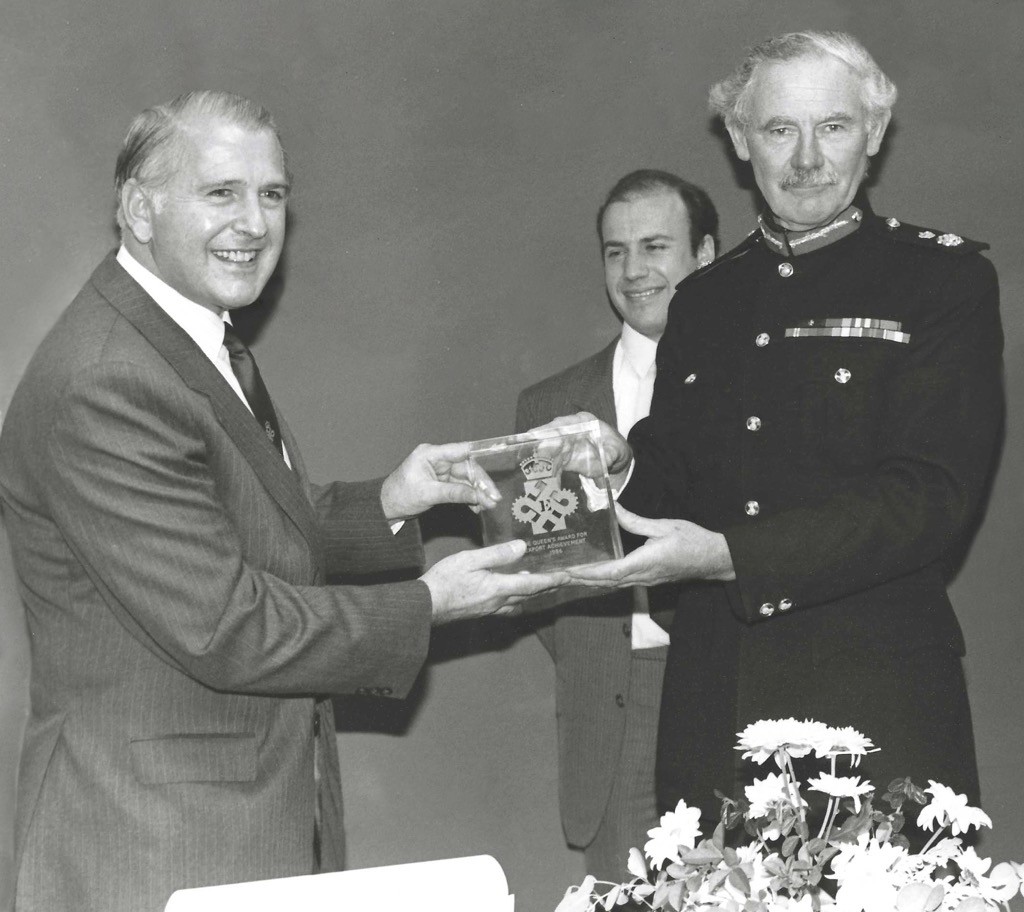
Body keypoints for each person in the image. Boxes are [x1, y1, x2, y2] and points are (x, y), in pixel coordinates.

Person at [0, 90, 564, 912]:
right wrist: (428, 606)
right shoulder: (106, 379)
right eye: (221, 192)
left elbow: (251, 526)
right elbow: (226, 624)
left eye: (272, 195)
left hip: (231, 829)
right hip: (154, 846)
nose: (256, 224)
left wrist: (396, 501)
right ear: (138, 209)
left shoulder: (191, 339)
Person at [565, 31, 1004, 829]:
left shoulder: (943, 279)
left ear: (874, 133)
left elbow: (931, 499)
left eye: (832, 127)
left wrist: (735, 556)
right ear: (739, 141)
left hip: (879, 722)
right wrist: (622, 467)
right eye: (778, 130)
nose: (806, 159)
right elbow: (676, 480)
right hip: (715, 715)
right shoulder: (703, 301)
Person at [515, 170, 717, 878]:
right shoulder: (553, 405)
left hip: (733, 690)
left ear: (706, 255)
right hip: (615, 708)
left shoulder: (756, 387)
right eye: (615, 251)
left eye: (656, 246)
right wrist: (604, 652)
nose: (634, 271)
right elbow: (545, 574)